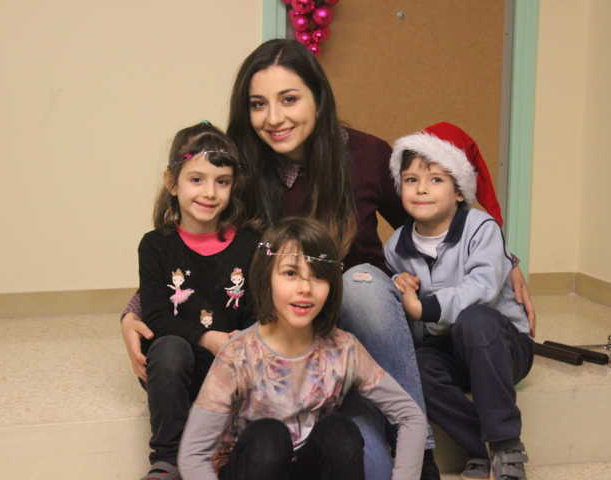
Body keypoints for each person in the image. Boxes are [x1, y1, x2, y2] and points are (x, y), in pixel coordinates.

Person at [121, 39, 535, 479]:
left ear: (319, 96)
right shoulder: (240, 167)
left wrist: (500, 256)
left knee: (361, 284)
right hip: (283, 335)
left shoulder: (368, 155)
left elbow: (435, 214)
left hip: (359, 330)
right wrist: (138, 307)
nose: (274, 118)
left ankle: (423, 454)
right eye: (259, 104)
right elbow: (203, 247)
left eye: (289, 99)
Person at [178, 217, 427, 480]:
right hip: (253, 464)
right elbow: (193, 455)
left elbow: (410, 416)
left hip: (310, 467)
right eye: (290, 273)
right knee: (268, 437)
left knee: (340, 433)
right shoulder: (239, 354)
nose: (305, 288)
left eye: (318, 276)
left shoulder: (344, 349)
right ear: (266, 278)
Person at [384, 122, 534, 480]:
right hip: (449, 350)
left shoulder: (481, 228)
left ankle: (506, 444)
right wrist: (397, 282)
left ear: (459, 192)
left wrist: (429, 306)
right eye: (411, 180)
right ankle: (475, 446)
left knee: (475, 319)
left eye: (436, 180)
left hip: (500, 346)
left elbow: (483, 285)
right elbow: (403, 305)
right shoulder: (395, 247)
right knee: (416, 365)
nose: (422, 189)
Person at [136, 122, 260, 480]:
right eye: (196, 180)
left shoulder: (250, 244)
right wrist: (207, 338)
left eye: (221, 181)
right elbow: (157, 314)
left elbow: (256, 311)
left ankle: (230, 446)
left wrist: (239, 345)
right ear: (172, 182)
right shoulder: (155, 245)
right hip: (175, 369)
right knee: (170, 349)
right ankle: (168, 459)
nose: (209, 192)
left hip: (231, 364)